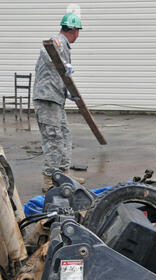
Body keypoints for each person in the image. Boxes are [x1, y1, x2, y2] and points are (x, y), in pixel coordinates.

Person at [33, 12, 85, 193]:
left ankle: (64, 174)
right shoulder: (57, 41)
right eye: (78, 30)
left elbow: (59, 74)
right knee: (53, 139)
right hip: (47, 99)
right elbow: (47, 50)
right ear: (75, 30)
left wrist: (68, 93)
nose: (78, 34)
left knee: (64, 135)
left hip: (56, 99)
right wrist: (63, 64)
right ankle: (49, 179)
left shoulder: (65, 45)